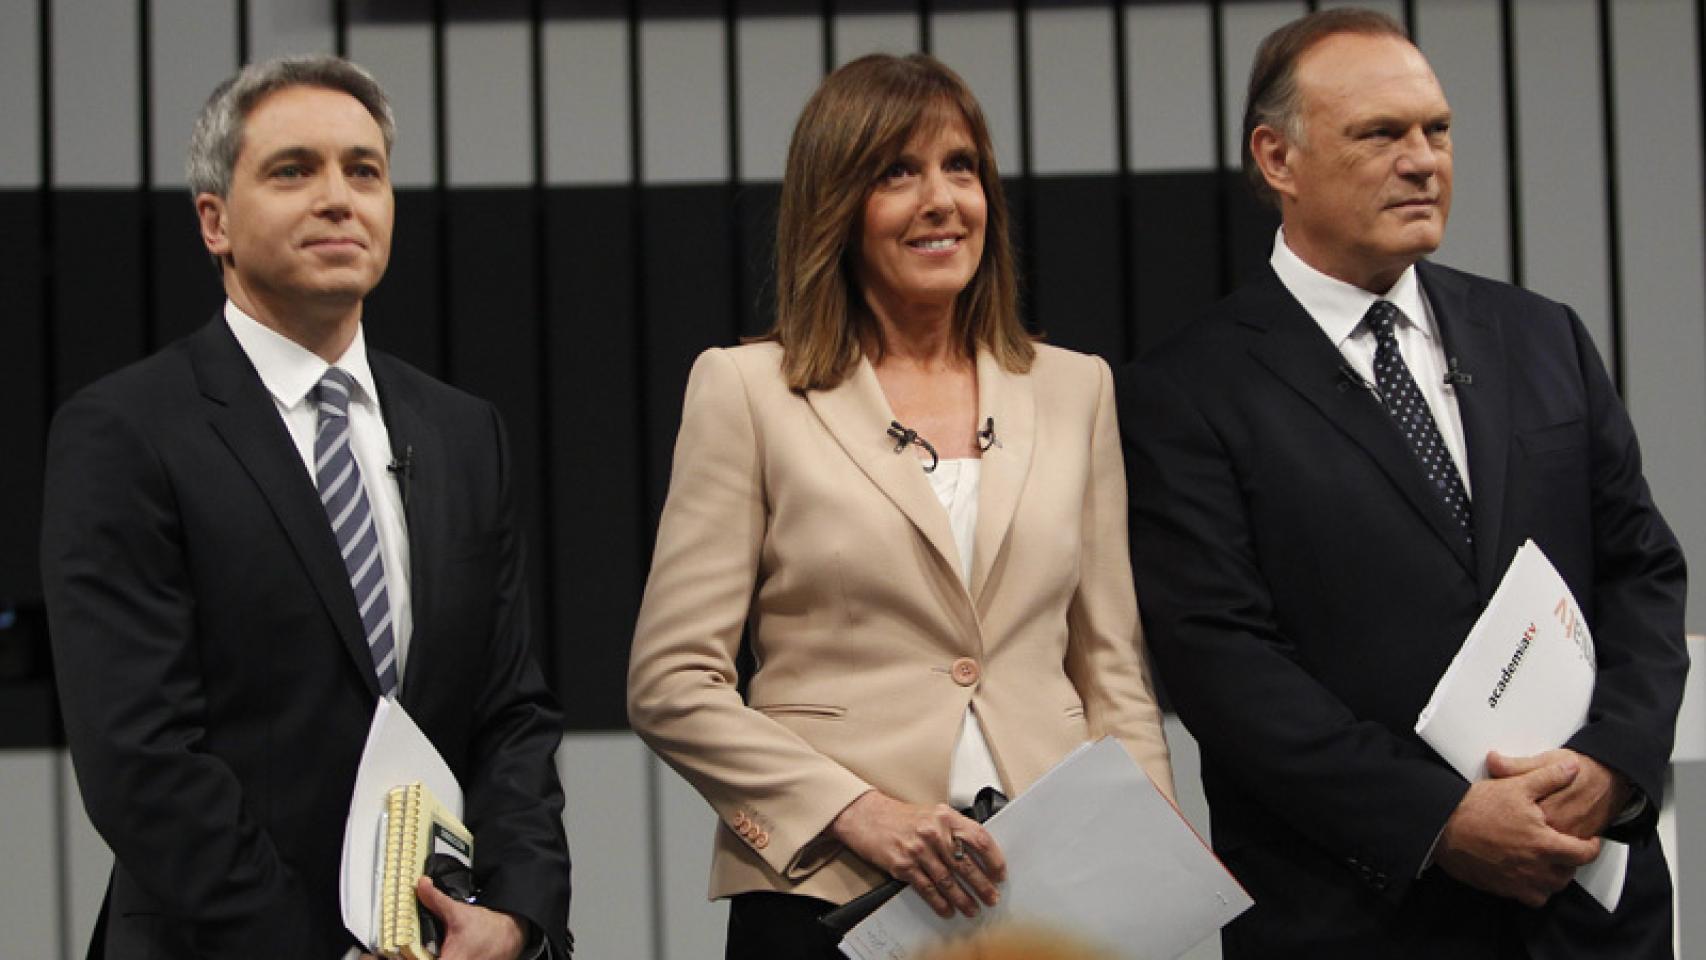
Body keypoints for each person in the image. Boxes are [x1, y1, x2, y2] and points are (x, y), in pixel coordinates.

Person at [1119, 9, 1687, 958]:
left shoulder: (1543, 335)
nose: (1423, 160)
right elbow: (1222, 661)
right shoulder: (1183, 388)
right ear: (1277, 158)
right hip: (1358, 916)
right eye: (1380, 134)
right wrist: (1444, 822)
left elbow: (1640, 570)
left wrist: (1613, 766)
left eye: (1437, 129)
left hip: (1587, 909)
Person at [627, 53, 1173, 958]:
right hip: (830, 895)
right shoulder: (748, 391)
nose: (941, 200)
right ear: (836, 207)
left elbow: (1111, 673)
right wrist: (856, 811)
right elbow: (672, 684)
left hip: (1044, 892)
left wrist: (1148, 869)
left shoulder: (1077, 390)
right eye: (896, 173)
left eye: (961, 167)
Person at [40, 56, 571, 959]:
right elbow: (142, 758)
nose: (339, 198)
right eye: (294, 171)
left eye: (364, 170)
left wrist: (517, 920)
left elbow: (509, 714)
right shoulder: (125, 431)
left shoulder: (462, 432)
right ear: (215, 221)